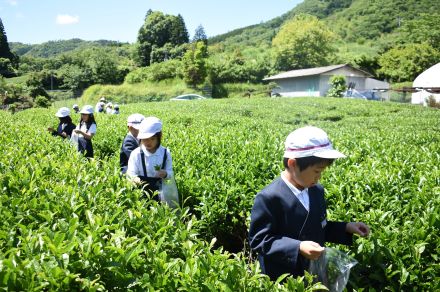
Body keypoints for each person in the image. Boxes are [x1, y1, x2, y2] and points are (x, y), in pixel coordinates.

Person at [248, 126, 370, 281]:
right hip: (282, 277)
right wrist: (297, 247)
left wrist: (346, 227)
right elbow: (259, 240)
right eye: (317, 171)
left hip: (313, 273)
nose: (319, 177)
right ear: (293, 164)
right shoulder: (269, 197)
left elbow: (318, 228)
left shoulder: (316, 191)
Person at [126, 117, 173, 198]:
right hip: (141, 192)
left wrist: (165, 174)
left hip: (160, 193)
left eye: (152, 139)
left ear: (160, 136)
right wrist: (134, 179)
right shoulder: (136, 154)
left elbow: (170, 172)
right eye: (145, 139)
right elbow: (130, 173)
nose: (148, 142)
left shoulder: (165, 152)